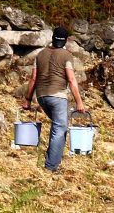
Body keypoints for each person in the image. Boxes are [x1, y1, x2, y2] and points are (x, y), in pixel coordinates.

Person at [22, 26, 86, 172]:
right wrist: (79, 102)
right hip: (58, 97)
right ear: (66, 41)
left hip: (42, 97)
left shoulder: (40, 54)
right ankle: (50, 167)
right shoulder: (66, 55)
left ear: (52, 38)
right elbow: (71, 79)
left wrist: (28, 99)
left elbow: (33, 78)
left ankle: (53, 160)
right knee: (59, 128)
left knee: (59, 127)